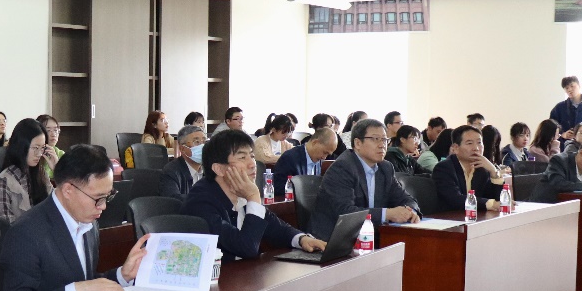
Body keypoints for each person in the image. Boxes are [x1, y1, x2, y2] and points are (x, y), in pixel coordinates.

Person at [0, 144, 149, 291]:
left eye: (108, 196)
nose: (103, 206)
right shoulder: (26, 233)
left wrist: (122, 276)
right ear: (68, 190)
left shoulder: (89, 224)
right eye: (98, 198)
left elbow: (87, 283)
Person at [182, 131, 324, 262]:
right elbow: (246, 247)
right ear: (219, 169)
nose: (252, 164)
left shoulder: (239, 191)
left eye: (252, 156)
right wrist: (253, 197)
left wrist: (302, 239)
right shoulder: (200, 202)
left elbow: (276, 228)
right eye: (242, 157)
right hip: (220, 278)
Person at [309, 119, 420, 240]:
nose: (382, 145)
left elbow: (406, 198)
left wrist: (411, 211)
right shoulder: (343, 167)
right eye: (375, 139)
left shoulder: (385, 167)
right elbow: (345, 212)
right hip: (334, 239)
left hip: (370, 237)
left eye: (384, 139)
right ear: (357, 143)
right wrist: (387, 214)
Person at [0, 118, 52, 224]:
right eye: (35, 148)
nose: (39, 154)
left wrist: (57, 169)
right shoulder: (2, 182)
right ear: (21, 147)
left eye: (42, 148)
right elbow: (6, 228)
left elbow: (60, 211)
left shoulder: (41, 174)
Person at [431, 125, 505, 213]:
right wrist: (490, 204)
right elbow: (455, 199)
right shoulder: (444, 168)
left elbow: (497, 200)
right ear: (456, 148)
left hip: (475, 218)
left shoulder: (482, 169)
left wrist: (493, 171)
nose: (476, 148)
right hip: (450, 217)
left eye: (479, 143)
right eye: (469, 143)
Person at [159, 125, 206, 200]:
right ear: (182, 148)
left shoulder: (211, 169)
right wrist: (203, 199)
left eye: (204, 142)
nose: (202, 146)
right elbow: (172, 200)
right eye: (196, 142)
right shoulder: (171, 171)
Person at [35, 114, 64, 182]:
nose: (53, 134)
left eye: (55, 130)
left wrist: (56, 168)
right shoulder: (33, 153)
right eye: (48, 130)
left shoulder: (61, 154)